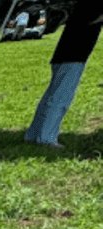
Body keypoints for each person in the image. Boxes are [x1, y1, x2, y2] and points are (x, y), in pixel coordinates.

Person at [25, 0, 103, 148]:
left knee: (51, 96)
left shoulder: (82, 9)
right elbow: (96, 17)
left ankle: (33, 134)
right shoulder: (90, 9)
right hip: (73, 58)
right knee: (60, 98)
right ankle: (46, 138)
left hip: (65, 57)